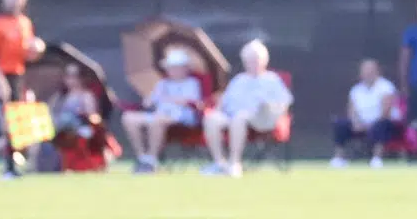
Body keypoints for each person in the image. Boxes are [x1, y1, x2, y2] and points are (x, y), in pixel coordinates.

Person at [201, 39, 293, 176]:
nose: (253, 63)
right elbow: (224, 103)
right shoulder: (239, 80)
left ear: (264, 61)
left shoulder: (272, 80)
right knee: (212, 119)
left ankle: (234, 163)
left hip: (262, 119)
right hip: (232, 116)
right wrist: (216, 110)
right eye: (249, 60)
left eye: (256, 59)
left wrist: (270, 108)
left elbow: (284, 103)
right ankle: (219, 163)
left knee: (240, 117)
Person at [120, 49, 205, 172]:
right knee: (129, 118)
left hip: (182, 118)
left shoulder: (193, 83)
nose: (173, 70)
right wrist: (148, 101)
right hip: (160, 114)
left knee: (158, 121)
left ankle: (152, 160)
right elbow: (152, 101)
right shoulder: (163, 83)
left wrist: (168, 99)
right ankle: (142, 157)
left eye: (177, 67)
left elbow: (193, 103)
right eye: (171, 67)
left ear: (185, 68)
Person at [332, 59, 404, 166]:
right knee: (340, 124)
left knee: (381, 125)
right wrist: (356, 123)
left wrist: (370, 125)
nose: (367, 73)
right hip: (360, 124)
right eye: (365, 70)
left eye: (370, 70)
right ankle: (339, 159)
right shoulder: (355, 90)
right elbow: (351, 111)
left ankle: (376, 159)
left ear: (377, 71)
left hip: (385, 124)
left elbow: (386, 111)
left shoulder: (386, 86)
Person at [0, 0, 43, 83]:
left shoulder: (25, 22)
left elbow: (28, 53)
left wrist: (37, 48)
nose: (14, 0)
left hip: (19, 74)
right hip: (0, 75)